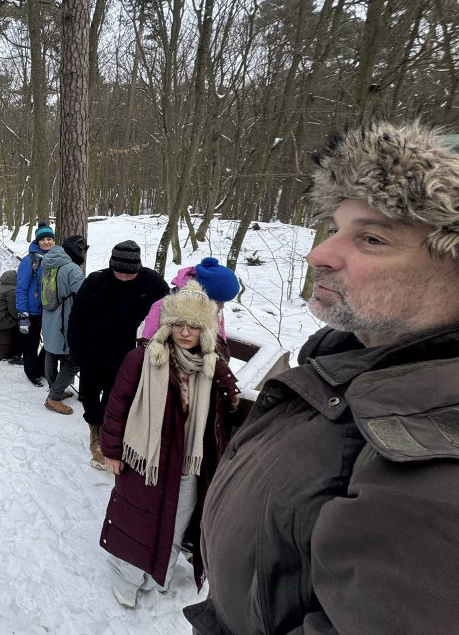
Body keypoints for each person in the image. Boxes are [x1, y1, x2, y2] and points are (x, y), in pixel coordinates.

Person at [184, 121, 459, 635]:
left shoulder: (435, 466)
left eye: (372, 238)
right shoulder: (342, 363)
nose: (318, 254)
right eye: (334, 227)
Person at [99, 281, 239, 609]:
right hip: (146, 458)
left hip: (189, 462)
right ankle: (127, 579)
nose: (185, 332)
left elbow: (224, 394)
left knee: (177, 520)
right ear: (167, 325)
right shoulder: (142, 358)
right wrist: (112, 451)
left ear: (206, 329)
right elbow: (117, 405)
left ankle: (157, 572)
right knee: (138, 519)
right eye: (178, 324)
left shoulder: (209, 364)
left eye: (194, 325)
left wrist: (230, 388)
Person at [68, 241, 168, 469]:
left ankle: (108, 437)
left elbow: (167, 315)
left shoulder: (152, 283)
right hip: (94, 353)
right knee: (91, 398)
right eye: (119, 272)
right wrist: (75, 350)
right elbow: (77, 318)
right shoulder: (96, 281)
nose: (123, 277)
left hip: (130, 357)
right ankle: (95, 427)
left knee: (116, 399)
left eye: (129, 273)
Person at [140, 256, 239, 355]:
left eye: (224, 302)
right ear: (202, 296)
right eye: (219, 301)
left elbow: (221, 337)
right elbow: (147, 343)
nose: (222, 307)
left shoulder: (214, 308)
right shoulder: (162, 307)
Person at [40, 235, 87, 414]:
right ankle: (54, 396)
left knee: (50, 352)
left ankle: (54, 388)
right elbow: (84, 295)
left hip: (49, 317)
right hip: (64, 320)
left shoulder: (49, 263)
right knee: (75, 360)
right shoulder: (71, 269)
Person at [15, 223, 55, 388]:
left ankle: (41, 367)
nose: (46, 242)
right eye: (43, 239)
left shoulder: (56, 257)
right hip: (33, 310)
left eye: (49, 239)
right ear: (37, 241)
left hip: (51, 309)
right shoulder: (29, 260)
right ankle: (32, 372)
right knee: (30, 344)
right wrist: (23, 313)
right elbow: (21, 289)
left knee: (52, 342)